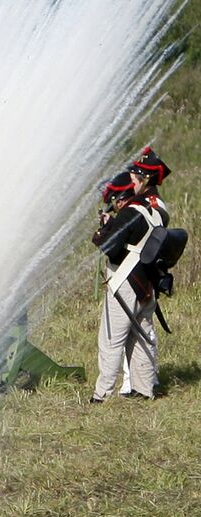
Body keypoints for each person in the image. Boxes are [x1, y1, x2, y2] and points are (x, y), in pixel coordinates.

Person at [90, 148, 173, 402]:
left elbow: (110, 247)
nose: (132, 181)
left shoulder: (131, 211)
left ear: (145, 180)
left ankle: (101, 395)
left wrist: (104, 229)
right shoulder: (160, 208)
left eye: (136, 178)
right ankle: (144, 389)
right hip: (147, 281)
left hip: (125, 280)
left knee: (112, 339)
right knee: (142, 335)